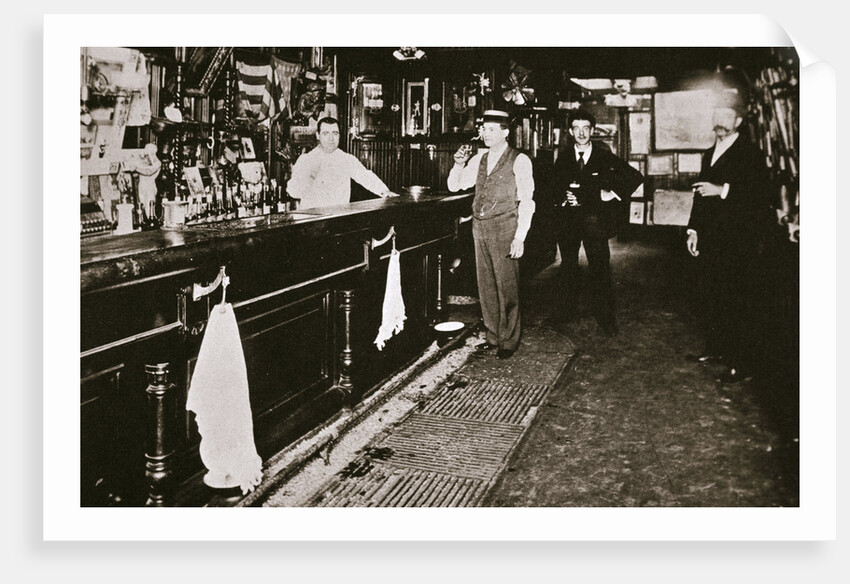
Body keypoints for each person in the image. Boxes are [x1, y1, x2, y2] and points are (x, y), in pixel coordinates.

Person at [685, 93, 772, 383]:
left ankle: (741, 364)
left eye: (725, 118)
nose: (719, 123)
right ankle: (717, 349)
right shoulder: (710, 152)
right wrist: (693, 230)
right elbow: (700, 194)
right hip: (710, 239)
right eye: (716, 117)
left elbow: (760, 196)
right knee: (712, 296)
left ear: (738, 121)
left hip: (737, 241)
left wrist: (722, 190)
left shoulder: (751, 153)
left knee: (736, 300)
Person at [447, 110, 536, 360]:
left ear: (506, 132)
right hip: (480, 227)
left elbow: (527, 201)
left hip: (505, 227)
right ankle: (493, 335)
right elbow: (455, 185)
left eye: (492, 129)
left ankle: (509, 339)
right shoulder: (479, 158)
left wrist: (520, 236)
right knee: (485, 285)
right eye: (484, 129)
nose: (486, 134)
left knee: (507, 286)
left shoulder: (520, 160)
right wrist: (458, 163)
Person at [551, 108, 643, 335]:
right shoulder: (563, 157)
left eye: (586, 128)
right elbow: (552, 186)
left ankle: (605, 317)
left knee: (600, 269)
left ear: (592, 131)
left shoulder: (603, 156)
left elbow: (634, 177)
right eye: (576, 128)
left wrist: (611, 194)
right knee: (568, 266)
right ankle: (567, 311)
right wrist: (562, 199)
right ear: (570, 132)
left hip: (595, 223)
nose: (581, 133)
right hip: (569, 224)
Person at [286, 117, 399, 209]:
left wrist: (384, 191)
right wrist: (309, 178)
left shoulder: (346, 159)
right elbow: (293, 192)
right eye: (326, 133)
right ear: (318, 135)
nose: (331, 138)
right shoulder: (306, 160)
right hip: (312, 222)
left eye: (335, 133)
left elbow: (366, 176)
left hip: (338, 221)